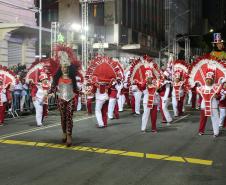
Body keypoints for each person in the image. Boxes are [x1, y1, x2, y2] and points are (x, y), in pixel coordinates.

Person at [50, 47, 80, 147]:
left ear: (68, 67)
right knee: (63, 117)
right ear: (61, 68)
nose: (64, 68)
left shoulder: (72, 78)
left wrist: (80, 92)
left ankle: (69, 135)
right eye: (63, 67)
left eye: (66, 67)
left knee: (69, 117)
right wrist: (50, 92)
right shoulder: (57, 78)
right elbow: (53, 88)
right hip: (61, 99)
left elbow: (76, 89)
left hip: (71, 99)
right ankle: (64, 133)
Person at [197, 68, 221, 137]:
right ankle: (201, 131)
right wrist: (199, 103)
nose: (208, 80)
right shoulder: (202, 88)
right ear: (205, 80)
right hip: (204, 105)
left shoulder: (216, 87)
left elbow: (219, 96)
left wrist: (216, 96)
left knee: (215, 119)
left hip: (213, 106)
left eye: (209, 79)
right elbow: (200, 96)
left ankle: (216, 132)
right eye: (207, 79)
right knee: (202, 119)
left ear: (212, 80)